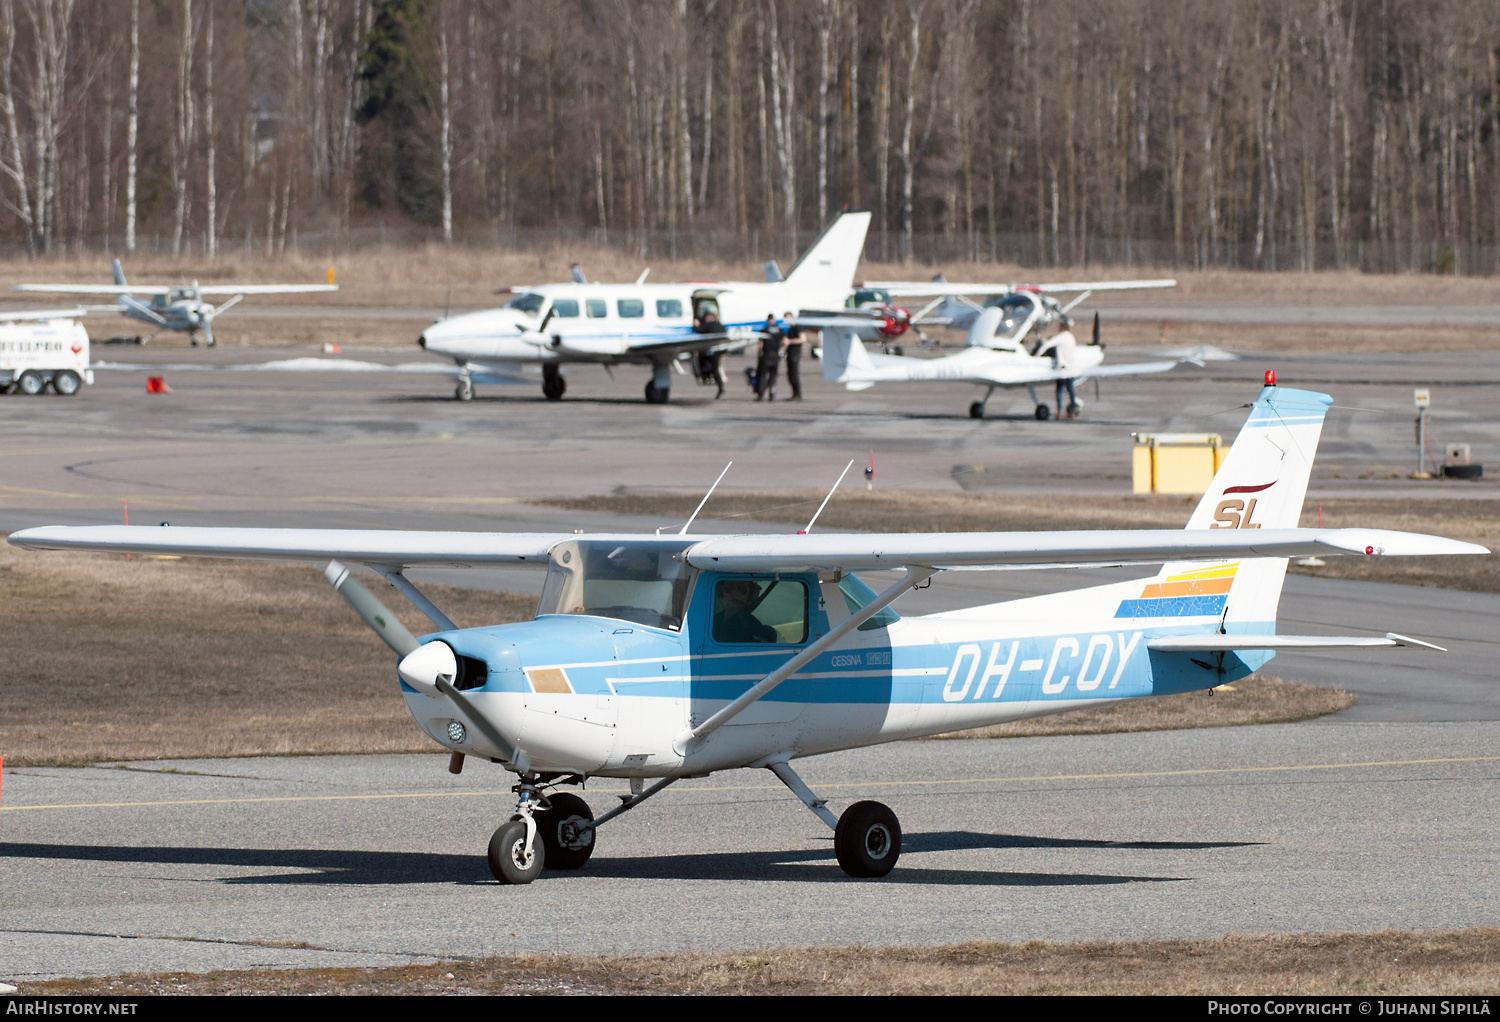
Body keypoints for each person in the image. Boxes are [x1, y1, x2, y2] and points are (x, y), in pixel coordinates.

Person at [1035, 318, 1080, 419]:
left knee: (1059, 391)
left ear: (1062, 328)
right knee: (1071, 391)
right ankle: (1072, 411)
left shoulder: (1061, 337)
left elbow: (1048, 344)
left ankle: (1059, 412)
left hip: (1062, 369)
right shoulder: (1072, 338)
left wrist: (1038, 353)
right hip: (1070, 368)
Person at [713, 579, 777, 643]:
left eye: (742, 589)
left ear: (750, 595)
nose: (735, 593)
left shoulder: (753, 626)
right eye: (728, 587)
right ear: (720, 591)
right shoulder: (713, 620)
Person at [754, 314, 783, 401]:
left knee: (763, 375)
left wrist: (759, 355)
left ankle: (761, 394)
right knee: (773, 376)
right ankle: (772, 394)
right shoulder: (779, 330)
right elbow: (783, 341)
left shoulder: (765, 330)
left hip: (767, 355)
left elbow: (761, 344)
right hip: (775, 355)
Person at [780, 311, 804, 400]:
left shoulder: (797, 327)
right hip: (790, 354)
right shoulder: (789, 329)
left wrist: (790, 341)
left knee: (794, 375)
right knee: (790, 375)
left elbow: (802, 339)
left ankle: (798, 394)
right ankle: (794, 394)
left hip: (795, 354)